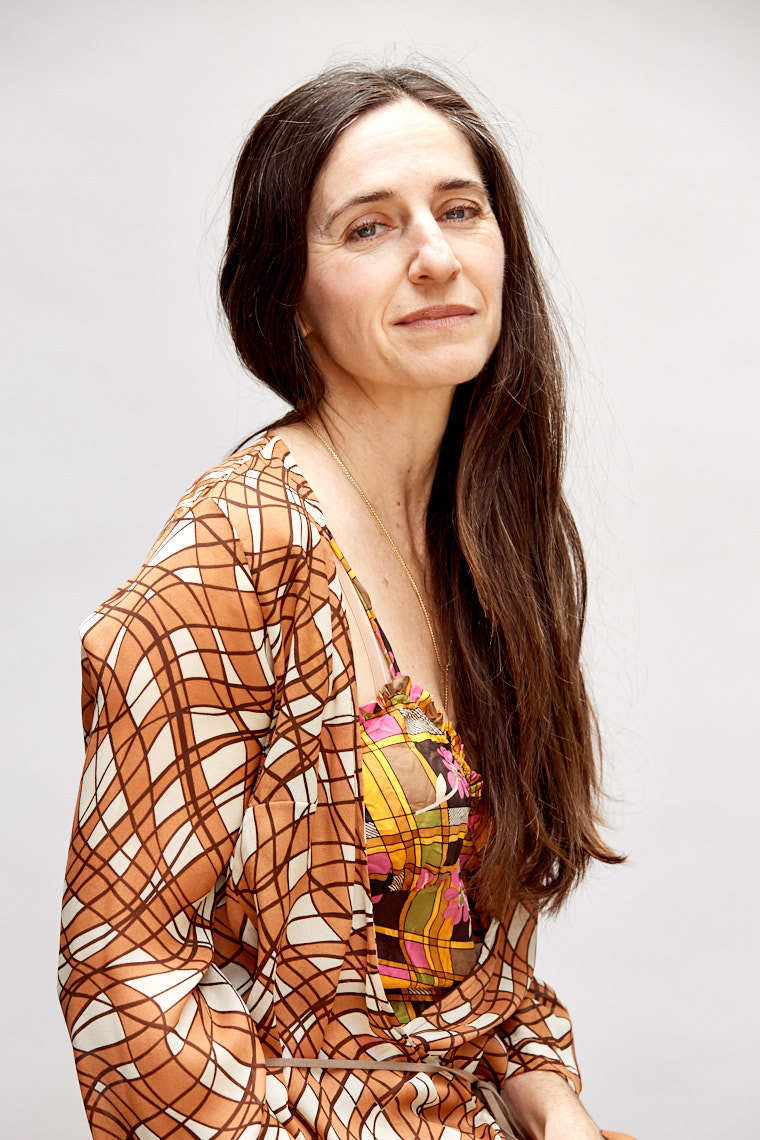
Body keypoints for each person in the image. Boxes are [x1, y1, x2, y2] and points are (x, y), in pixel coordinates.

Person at [57, 63, 635, 1140]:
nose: (433, 256)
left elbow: (452, 969)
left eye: (459, 211)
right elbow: (122, 992)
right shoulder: (238, 556)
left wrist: (548, 1102)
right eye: (368, 230)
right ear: (289, 296)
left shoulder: (478, 543)